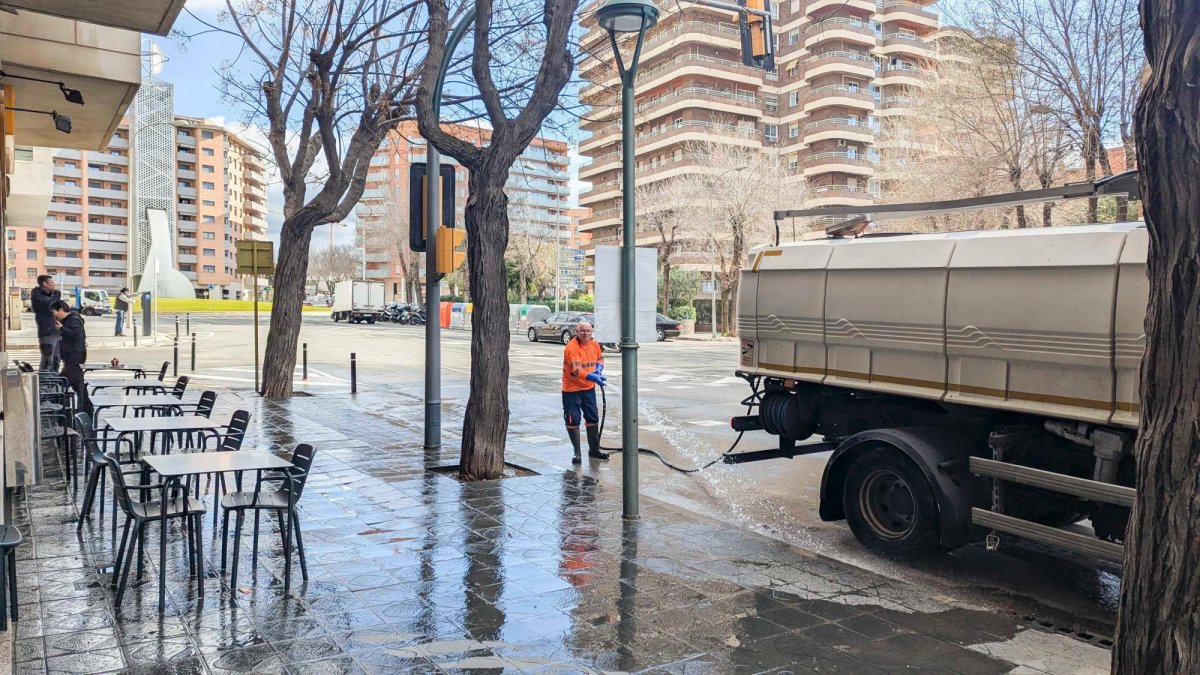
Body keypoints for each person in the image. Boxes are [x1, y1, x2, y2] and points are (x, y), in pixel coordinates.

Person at [562, 320, 609, 464]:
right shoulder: (571, 348)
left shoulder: (595, 345)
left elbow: (600, 359)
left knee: (592, 418)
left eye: (588, 331)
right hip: (572, 389)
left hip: (588, 388)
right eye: (583, 331)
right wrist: (592, 377)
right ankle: (577, 453)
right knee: (573, 420)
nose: (586, 333)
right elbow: (577, 370)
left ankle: (594, 450)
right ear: (577, 332)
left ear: (592, 331)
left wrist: (599, 369)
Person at [50, 299, 87, 402]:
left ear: (61, 310)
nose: (54, 316)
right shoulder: (67, 320)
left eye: (54, 313)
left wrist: (62, 329)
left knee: (62, 382)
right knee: (77, 385)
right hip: (71, 357)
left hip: (75, 357)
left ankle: (58, 405)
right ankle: (86, 407)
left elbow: (77, 335)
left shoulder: (73, 320)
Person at [30, 274, 62, 371]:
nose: (54, 285)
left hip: (57, 331)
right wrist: (56, 295)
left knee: (56, 359)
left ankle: (54, 378)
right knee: (48, 360)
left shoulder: (52, 294)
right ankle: (44, 379)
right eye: (51, 282)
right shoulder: (37, 295)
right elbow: (49, 304)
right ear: (44, 283)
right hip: (47, 332)